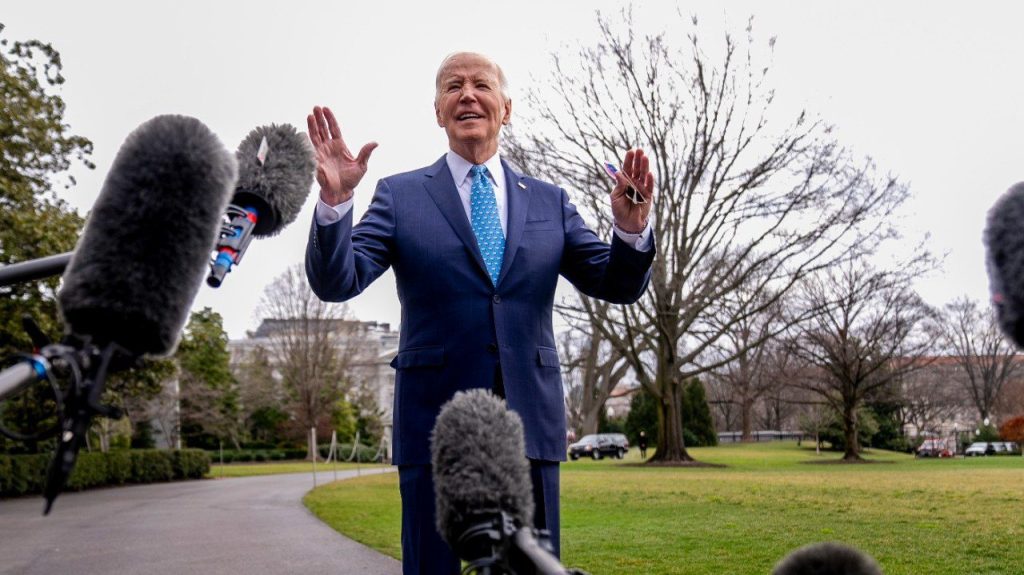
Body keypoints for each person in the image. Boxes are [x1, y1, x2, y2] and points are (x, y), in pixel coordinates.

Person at [304, 52, 655, 575]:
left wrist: (630, 230)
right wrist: (335, 204)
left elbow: (618, 284)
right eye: (453, 87)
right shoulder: (400, 196)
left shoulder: (551, 202)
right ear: (438, 112)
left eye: (481, 85)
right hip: (434, 428)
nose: (467, 95)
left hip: (530, 426)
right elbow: (338, 281)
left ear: (505, 109)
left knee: (535, 569)